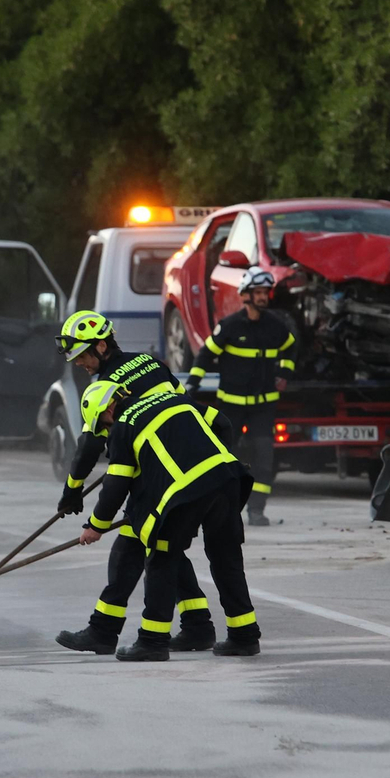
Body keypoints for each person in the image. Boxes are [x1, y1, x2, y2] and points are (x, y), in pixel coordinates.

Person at [50, 310, 215, 654]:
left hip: (154, 477)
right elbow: (185, 407)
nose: (78, 363)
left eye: (81, 355)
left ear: (100, 346)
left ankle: (103, 632)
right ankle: (198, 625)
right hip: (179, 467)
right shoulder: (151, 363)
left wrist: (72, 491)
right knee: (164, 549)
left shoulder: (106, 387)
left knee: (129, 552)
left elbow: (90, 445)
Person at [77, 381, 262, 660]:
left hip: (185, 494)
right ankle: (244, 637)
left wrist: (96, 526)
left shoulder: (124, 425)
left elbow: (116, 484)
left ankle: (152, 642)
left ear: (107, 410)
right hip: (227, 479)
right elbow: (222, 422)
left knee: (161, 559)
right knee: (227, 559)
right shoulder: (172, 399)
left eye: (103, 425)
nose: (106, 430)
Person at [186, 266, 296, 526]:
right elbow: (205, 355)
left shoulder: (275, 326)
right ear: (245, 295)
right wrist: (192, 385)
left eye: (265, 292)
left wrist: (284, 374)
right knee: (225, 458)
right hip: (231, 407)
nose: (263, 297)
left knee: (263, 458)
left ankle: (256, 510)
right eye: (258, 292)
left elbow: (291, 348)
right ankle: (223, 509)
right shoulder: (230, 326)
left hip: (263, 407)